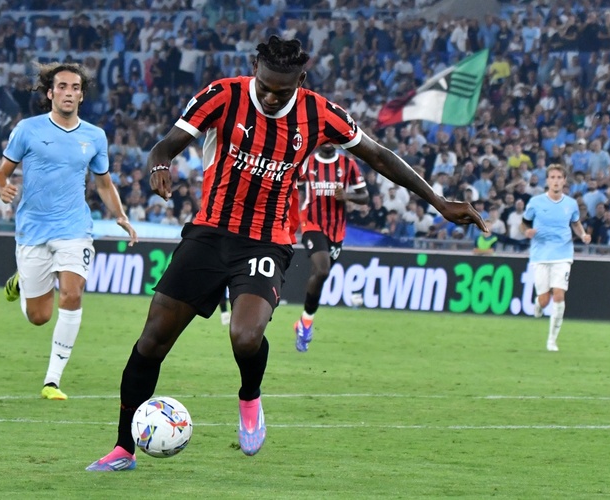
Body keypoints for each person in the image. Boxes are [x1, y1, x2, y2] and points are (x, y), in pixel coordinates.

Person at [86, 36, 485, 471]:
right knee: (151, 342)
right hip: (208, 234)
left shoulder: (321, 113)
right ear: (254, 69)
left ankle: (250, 397)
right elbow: (165, 145)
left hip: (266, 240)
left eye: (283, 90)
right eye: (265, 87)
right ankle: (124, 448)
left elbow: (380, 156)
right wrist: (160, 165)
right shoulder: (222, 95)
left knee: (245, 336)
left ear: (302, 80)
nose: (272, 97)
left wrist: (438, 201)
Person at [0, 62, 138, 401]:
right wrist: (2, 188)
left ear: (82, 96)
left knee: (72, 294)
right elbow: (2, 173)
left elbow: (103, 183)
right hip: (33, 229)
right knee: (39, 317)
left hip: (74, 227)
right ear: (50, 93)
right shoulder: (27, 129)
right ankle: (21, 283)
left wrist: (120, 215)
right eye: (62, 87)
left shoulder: (95, 136)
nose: (69, 93)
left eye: (75, 88)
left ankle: (52, 381)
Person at [293, 143, 368, 352]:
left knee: (319, 276)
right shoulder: (307, 162)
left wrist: (348, 196)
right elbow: (290, 183)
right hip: (311, 224)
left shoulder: (348, 164)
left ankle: (304, 322)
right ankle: (306, 325)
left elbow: (364, 196)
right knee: (323, 270)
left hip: (336, 231)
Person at [521, 164, 590, 352]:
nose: (556, 181)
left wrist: (583, 235)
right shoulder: (535, 202)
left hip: (563, 254)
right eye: (552, 177)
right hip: (541, 255)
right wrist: (527, 231)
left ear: (564, 180)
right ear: (547, 180)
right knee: (544, 300)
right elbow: (524, 223)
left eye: (559, 177)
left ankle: (552, 340)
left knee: (559, 295)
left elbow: (576, 224)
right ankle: (539, 304)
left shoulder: (571, 204)